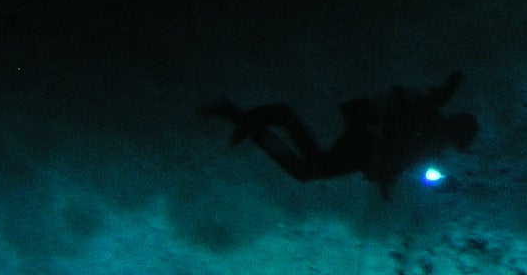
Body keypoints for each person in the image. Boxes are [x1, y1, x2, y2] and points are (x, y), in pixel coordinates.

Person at [204, 73, 476, 198]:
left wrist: (387, 183)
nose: (455, 145)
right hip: (363, 145)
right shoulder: (431, 129)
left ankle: (252, 117)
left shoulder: (432, 136)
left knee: (308, 166)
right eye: (460, 140)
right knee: (307, 169)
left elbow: (402, 161)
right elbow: (403, 151)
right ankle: (267, 116)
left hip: (364, 149)